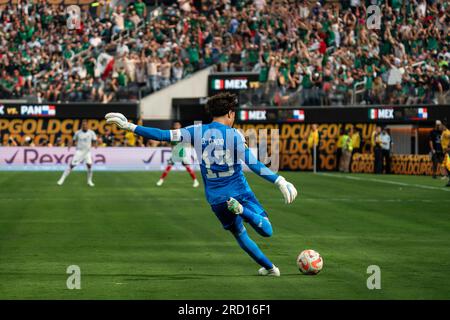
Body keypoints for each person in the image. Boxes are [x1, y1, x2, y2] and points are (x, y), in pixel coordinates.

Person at [105, 92, 298, 276]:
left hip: (217, 199)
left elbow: (162, 135)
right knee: (267, 230)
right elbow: (253, 163)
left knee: (240, 234)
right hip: (239, 190)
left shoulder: (195, 131)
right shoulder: (235, 135)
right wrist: (279, 180)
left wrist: (129, 126)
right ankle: (243, 211)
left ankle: (270, 268)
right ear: (230, 113)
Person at [156, 122, 200, 188]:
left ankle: (195, 181)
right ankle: (161, 180)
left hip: (181, 153)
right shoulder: (173, 133)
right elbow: (171, 143)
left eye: (178, 125)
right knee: (169, 166)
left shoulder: (182, 133)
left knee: (187, 167)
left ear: (180, 126)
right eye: (175, 125)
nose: (176, 126)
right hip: (175, 153)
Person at [57, 120, 97, 187]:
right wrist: (69, 146)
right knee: (71, 166)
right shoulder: (78, 132)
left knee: (89, 166)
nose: (84, 126)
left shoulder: (91, 133)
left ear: (87, 125)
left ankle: (89, 181)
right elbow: (73, 140)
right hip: (79, 152)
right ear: (82, 126)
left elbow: (94, 140)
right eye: (83, 125)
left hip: (87, 152)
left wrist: (95, 144)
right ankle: (61, 180)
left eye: (85, 125)